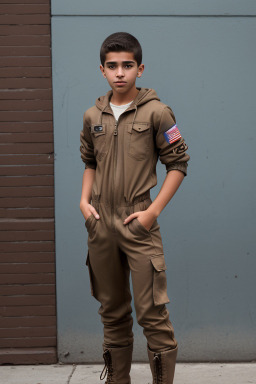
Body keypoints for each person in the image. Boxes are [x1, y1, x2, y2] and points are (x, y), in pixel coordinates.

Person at [79, 32, 190, 384]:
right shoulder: (91, 115)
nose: (120, 72)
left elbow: (179, 163)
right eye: (112, 66)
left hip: (138, 222)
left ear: (140, 69)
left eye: (127, 65)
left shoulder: (158, 112)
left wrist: (152, 212)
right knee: (111, 313)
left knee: (152, 314)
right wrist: (84, 201)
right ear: (102, 70)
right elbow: (90, 162)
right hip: (101, 225)